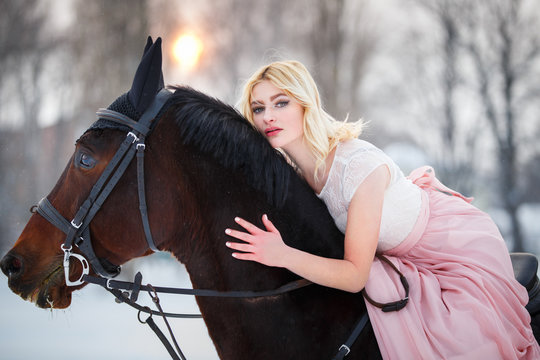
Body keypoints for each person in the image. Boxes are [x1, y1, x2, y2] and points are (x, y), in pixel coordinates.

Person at [224, 60, 539, 359]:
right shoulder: (292, 171)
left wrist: (282, 255)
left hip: (446, 247)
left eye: (281, 103)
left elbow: (355, 276)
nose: (268, 116)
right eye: (258, 108)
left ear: (307, 104)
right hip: (394, 253)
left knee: (458, 341)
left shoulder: (356, 166)